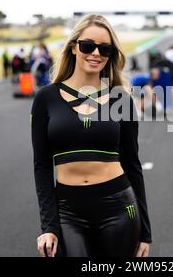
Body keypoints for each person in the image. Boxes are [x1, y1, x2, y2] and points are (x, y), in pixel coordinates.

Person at [32, 14, 152, 257]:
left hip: (119, 207)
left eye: (105, 49)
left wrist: (145, 233)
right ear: (74, 47)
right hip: (68, 210)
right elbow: (42, 165)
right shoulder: (46, 98)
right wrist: (48, 226)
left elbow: (132, 164)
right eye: (88, 45)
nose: (96, 53)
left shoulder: (121, 99)